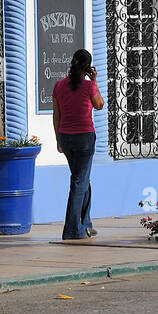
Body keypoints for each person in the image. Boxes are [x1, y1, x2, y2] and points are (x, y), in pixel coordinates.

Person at [52, 49, 104, 242]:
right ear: (87, 67)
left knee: (82, 179)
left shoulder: (59, 86)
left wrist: (58, 139)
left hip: (66, 138)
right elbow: (99, 105)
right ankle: (73, 229)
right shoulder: (89, 86)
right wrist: (95, 81)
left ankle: (86, 223)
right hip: (84, 138)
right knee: (78, 181)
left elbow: (56, 116)